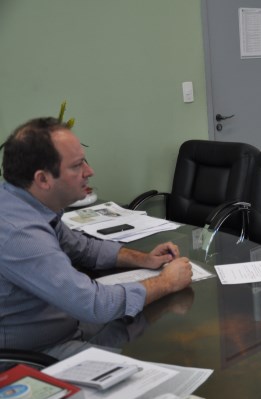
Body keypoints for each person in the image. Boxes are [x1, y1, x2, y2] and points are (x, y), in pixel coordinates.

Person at [0, 117, 193, 354]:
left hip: (67, 324)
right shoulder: (20, 234)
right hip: (35, 354)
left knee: (149, 331)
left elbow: (82, 248)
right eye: (77, 165)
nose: (89, 171)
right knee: (156, 363)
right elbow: (93, 304)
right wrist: (166, 282)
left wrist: (144, 259)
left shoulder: (25, 203)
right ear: (43, 179)